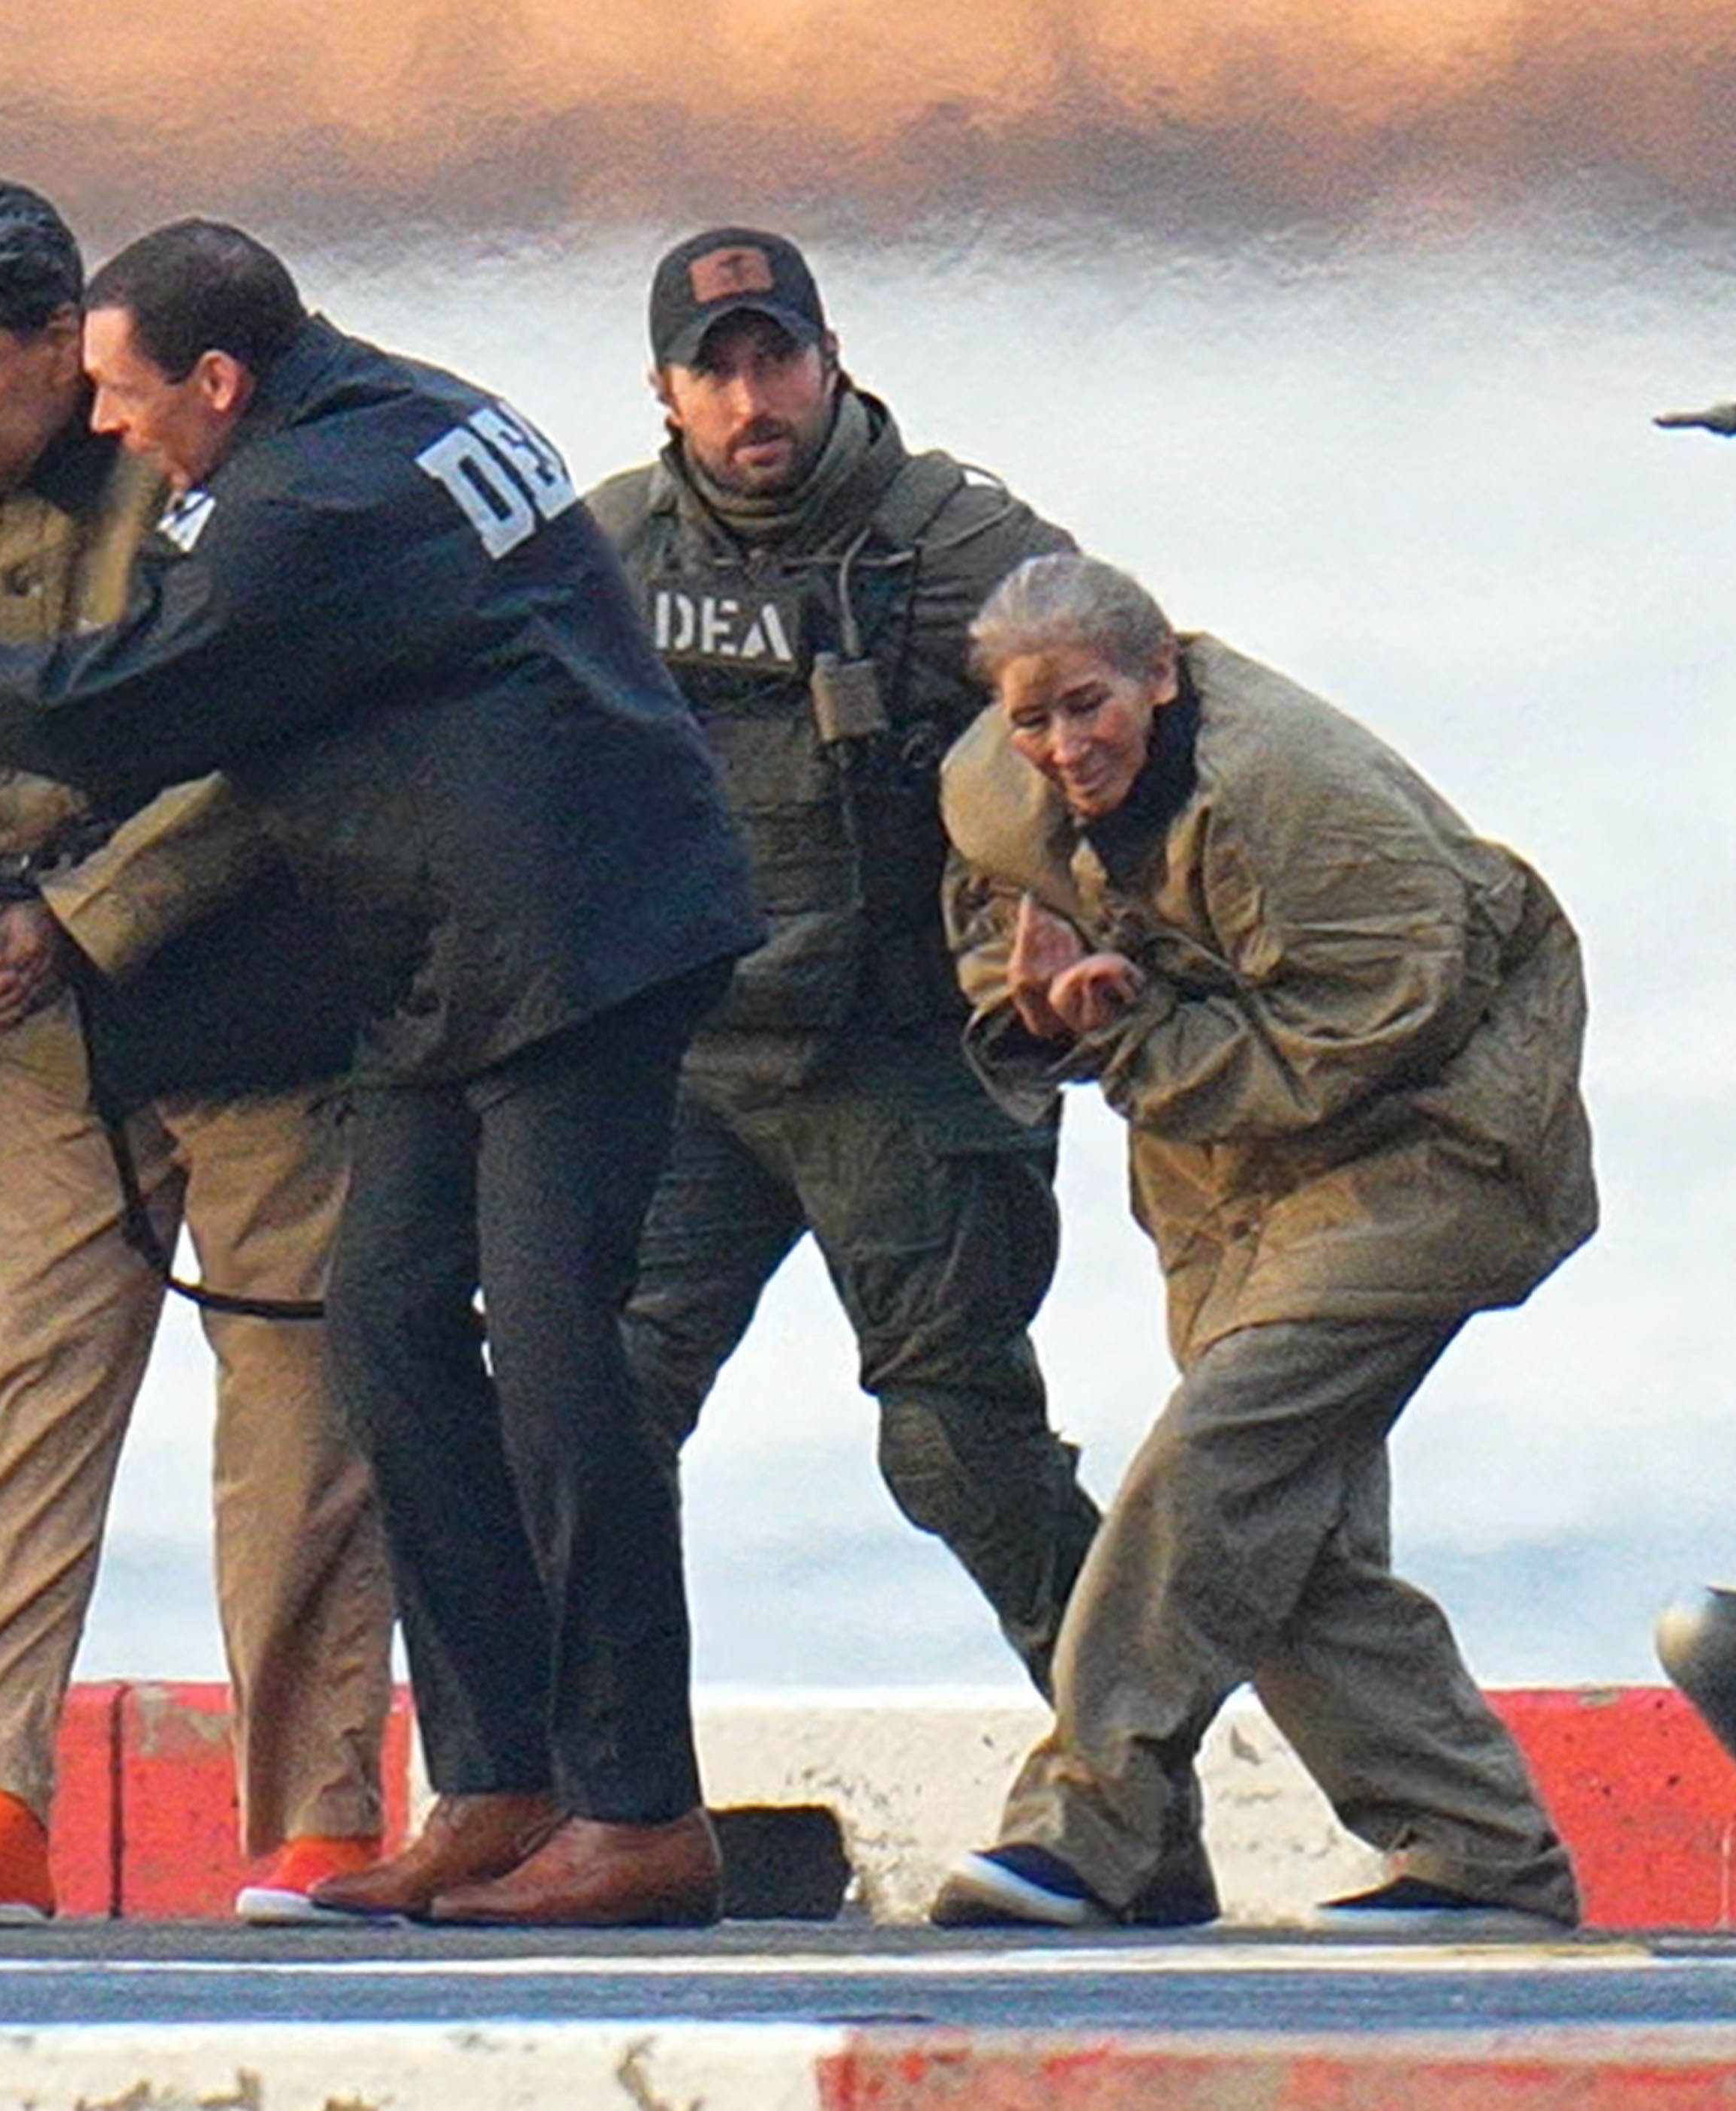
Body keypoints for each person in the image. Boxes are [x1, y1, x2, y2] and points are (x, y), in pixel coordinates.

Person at [0, 219, 765, 1929]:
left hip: (585, 944)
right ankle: (499, 1786)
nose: (111, 431)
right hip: (442, 955)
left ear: (218, 378)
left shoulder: (313, 507)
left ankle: (637, 1811)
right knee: (386, 1334)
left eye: (130, 399)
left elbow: (111, 711)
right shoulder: (392, 409)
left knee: (564, 1370)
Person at [0, 178, 396, 1928]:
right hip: (24, 1026)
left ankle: (322, 1826)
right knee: (27, 1390)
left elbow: (270, 737)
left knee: (299, 1416)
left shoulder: (207, 464)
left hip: (261, 996)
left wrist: (84, 915)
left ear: (73, 344)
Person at [925, 552, 1591, 1932]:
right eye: (1032, 717)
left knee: (1218, 1462)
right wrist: (1042, 997)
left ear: (1161, 673)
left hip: (1434, 1139)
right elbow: (993, 904)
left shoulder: (1302, 794)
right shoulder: (1002, 780)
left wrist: (1129, 1028)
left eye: (1089, 706)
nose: (1063, 747)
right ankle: (1478, 1851)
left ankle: (1085, 1818)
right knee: (1292, 1534)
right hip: (1219, 1167)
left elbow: (1371, 1026)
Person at [585, 227, 1100, 1692]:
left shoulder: (959, 551)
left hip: (905, 1061)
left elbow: (1140, 725)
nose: (753, 402)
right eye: (716, 372)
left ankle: (1131, 1768)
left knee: (955, 1439)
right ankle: (605, 1793)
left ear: (830, 362)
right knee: (585, 1413)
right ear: (665, 393)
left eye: (776, 361)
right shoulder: (608, 555)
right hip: (694, 1060)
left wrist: (1063, 918)